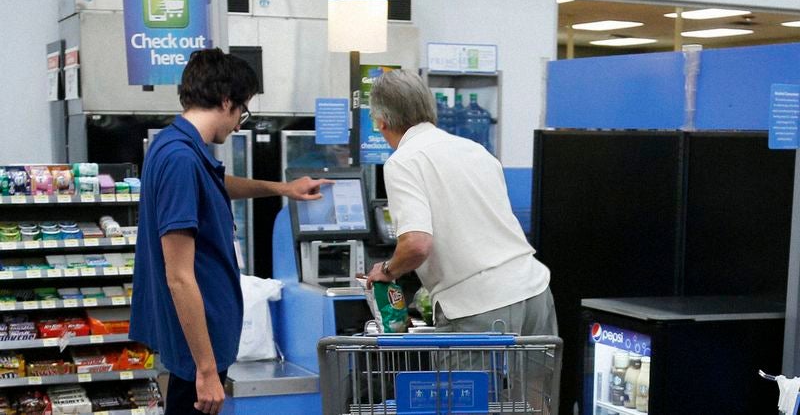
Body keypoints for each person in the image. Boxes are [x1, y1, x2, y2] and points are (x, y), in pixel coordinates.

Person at [129, 48, 331, 415]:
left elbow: (219, 183)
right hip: (196, 352)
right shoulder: (179, 158)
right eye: (242, 111)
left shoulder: (179, 148)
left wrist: (284, 189)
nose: (240, 124)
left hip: (198, 345)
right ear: (226, 101)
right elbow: (178, 277)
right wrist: (206, 370)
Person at [364, 69, 557, 337]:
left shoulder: (404, 161)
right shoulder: (475, 150)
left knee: (467, 382)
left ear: (382, 122)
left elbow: (417, 244)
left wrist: (387, 269)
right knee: (531, 381)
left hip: (479, 305)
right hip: (534, 292)